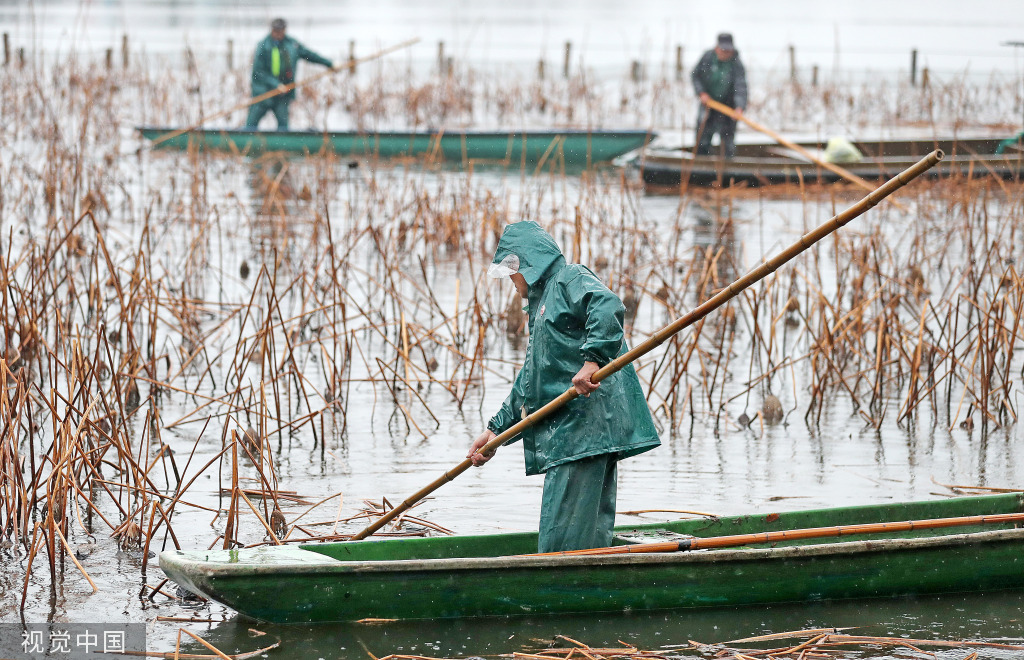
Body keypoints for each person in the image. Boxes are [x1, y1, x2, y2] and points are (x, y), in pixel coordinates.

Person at [467, 221, 660, 553]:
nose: (512, 282)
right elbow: (531, 381)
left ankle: (564, 589)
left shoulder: (569, 279)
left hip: (587, 432)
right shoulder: (542, 307)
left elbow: (606, 304)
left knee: (565, 540)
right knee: (571, 534)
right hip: (570, 436)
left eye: (513, 271)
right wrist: (495, 432)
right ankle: (579, 585)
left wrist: (593, 359)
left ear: (528, 265)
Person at [245, 18, 334, 130]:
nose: (278, 34)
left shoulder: (292, 44)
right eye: (276, 31)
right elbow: (258, 72)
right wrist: (275, 84)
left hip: (283, 93)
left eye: (281, 31)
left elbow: (309, 55)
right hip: (263, 93)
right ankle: (245, 141)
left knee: (283, 126)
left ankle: (282, 145)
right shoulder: (263, 46)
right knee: (251, 124)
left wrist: (329, 64)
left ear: (284, 30)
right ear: (272, 30)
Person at [691, 33, 748, 158]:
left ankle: (727, 169)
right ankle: (700, 165)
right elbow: (696, 76)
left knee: (727, 143)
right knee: (702, 139)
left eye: (728, 50)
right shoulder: (707, 58)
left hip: (728, 108)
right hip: (709, 105)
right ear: (716, 47)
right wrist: (701, 93)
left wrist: (739, 107)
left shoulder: (736, 64)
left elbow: (741, 87)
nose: (725, 53)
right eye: (723, 50)